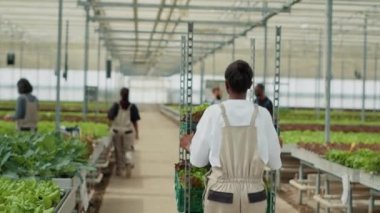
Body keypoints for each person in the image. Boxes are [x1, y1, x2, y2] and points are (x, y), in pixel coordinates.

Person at [180, 60, 281, 213]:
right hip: (254, 197)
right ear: (250, 85)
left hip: (221, 196)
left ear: (226, 85)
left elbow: (198, 161)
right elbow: (274, 163)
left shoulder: (213, 113)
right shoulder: (262, 115)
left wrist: (189, 145)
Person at [108, 87, 140, 177]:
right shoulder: (132, 107)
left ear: (120, 94)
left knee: (118, 151)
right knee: (128, 149)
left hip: (117, 131)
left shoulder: (116, 105)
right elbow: (135, 121)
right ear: (128, 95)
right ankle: (128, 164)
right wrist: (137, 133)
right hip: (128, 132)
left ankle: (119, 169)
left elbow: (110, 117)